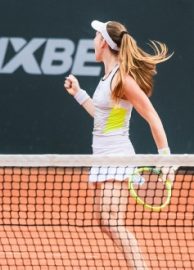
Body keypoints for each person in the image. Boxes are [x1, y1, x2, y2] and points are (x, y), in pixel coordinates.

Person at [64, 20, 172, 270]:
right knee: (105, 221)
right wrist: (79, 94)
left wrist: (166, 158)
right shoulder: (108, 79)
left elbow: (151, 115)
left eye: (95, 36)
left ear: (103, 42)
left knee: (112, 221)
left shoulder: (122, 79)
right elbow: (106, 122)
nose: (92, 40)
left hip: (117, 158)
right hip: (103, 158)